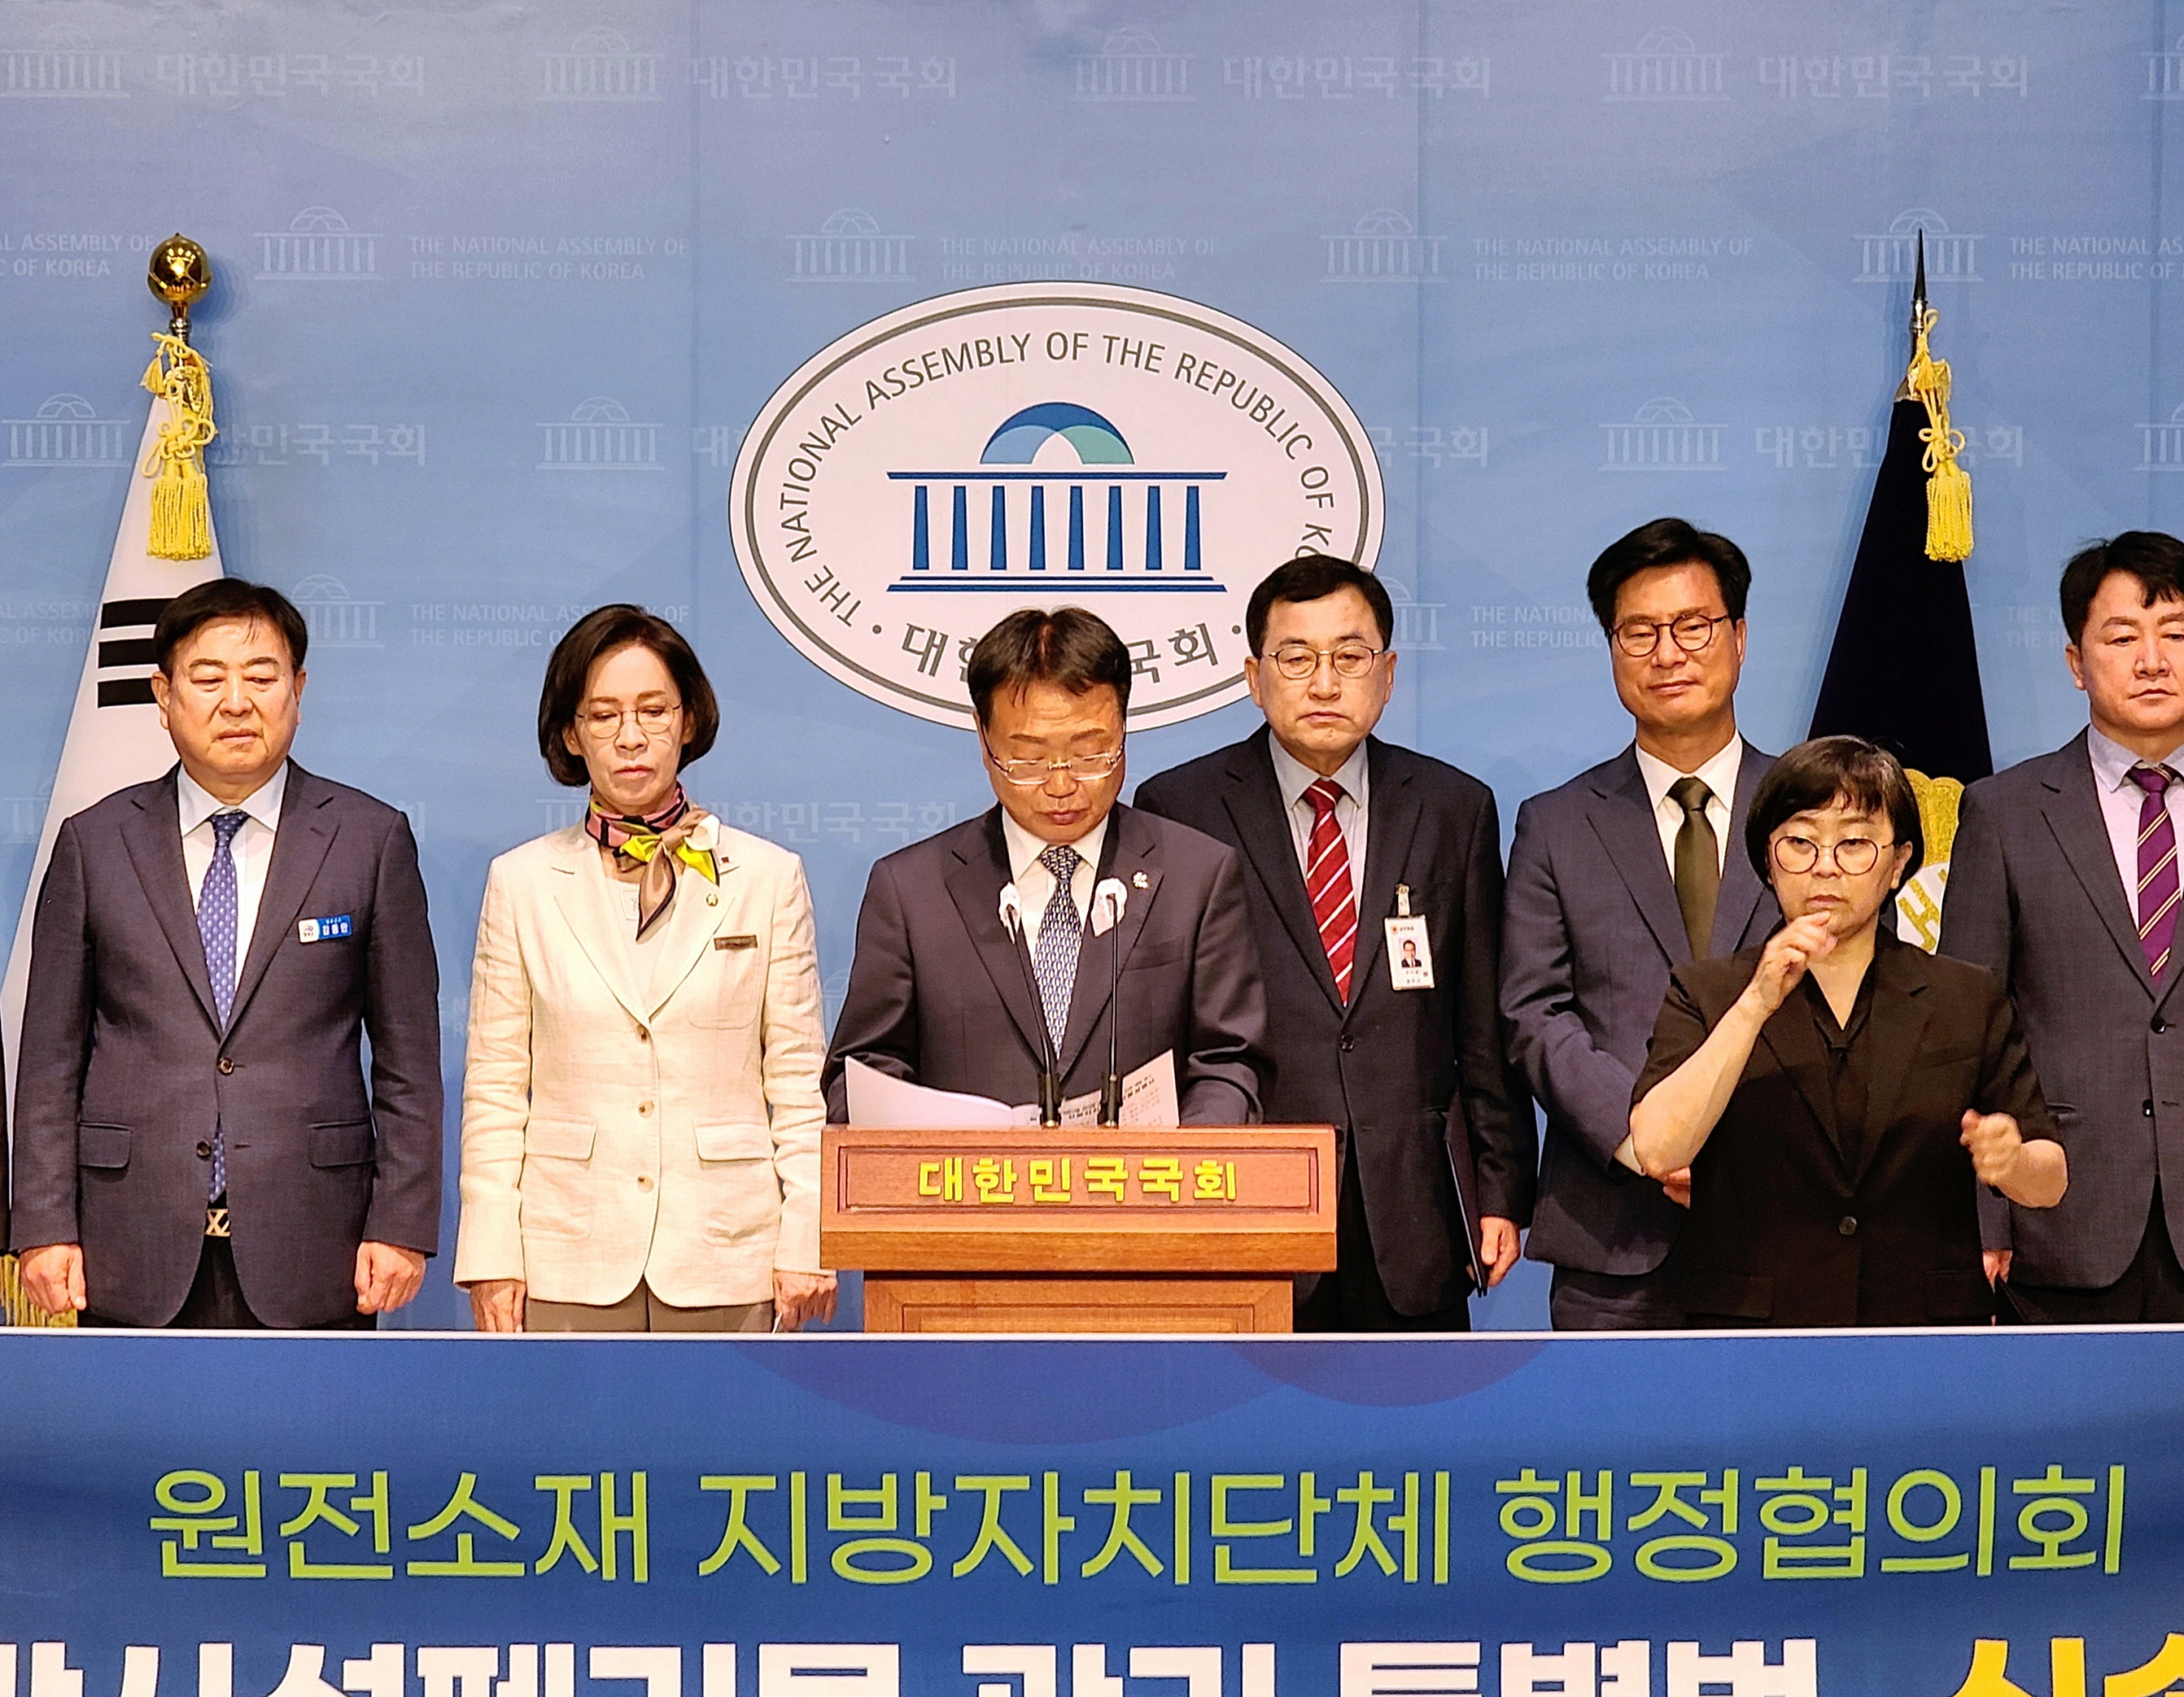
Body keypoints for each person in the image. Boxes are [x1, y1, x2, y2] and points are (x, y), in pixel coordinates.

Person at [10, 579, 441, 1327]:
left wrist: (400, 1224)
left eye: (261, 677)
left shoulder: (369, 840)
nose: (236, 702)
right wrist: (44, 1225)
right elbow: (50, 1059)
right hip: (127, 1243)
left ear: (297, 690)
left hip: (318, 1243)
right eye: (208, 679)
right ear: (163, 695)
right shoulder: (94, 843)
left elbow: (408, 1059)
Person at [1134, 555, 1533, 1330]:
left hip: (1414, 1211)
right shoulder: (1180, 809)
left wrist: (1500, 1188)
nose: (1324, 683)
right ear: (1254, 678)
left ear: (1388, 674)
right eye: (1297, 658)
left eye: (1350, 657)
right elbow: (1161, 1025)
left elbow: (1483, 1021)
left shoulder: (1453, 808)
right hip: (1248, 1199)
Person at [455, 606, 833, 1333]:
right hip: (568, 1250)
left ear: (688, 721)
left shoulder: (767, 877)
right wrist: (493, 1252)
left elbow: (796, 1079)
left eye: (654, 711)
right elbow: (495, 1085)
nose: (631, 736)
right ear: (572, 734)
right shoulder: (522, 882)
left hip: (730, 1250)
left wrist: (808, 1238)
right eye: (604, 715)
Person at [1628, 738, 2065, 1326]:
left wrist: (2012, 1163)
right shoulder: (1708, 991)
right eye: (1800, 843)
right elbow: (1658, 1149)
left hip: (1922, 1328)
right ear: (1766, 860)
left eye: (1855, 843)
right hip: (1753, 1331)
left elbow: (2051, 1178)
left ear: (1899, 862)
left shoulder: (1966, 996)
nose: (1826, 866)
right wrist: (1754, 1005)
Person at [825, 606, 1267, 1124]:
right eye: (1029, 759)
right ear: (983, 738)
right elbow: (865, 1071)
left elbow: (1228, 1062)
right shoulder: (911, 891)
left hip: (1146, 1175)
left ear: (1123, 729)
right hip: (969, 1175)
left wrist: (1183, 1158)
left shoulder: (1198, 876)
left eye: (1090, 754)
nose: (1061, 785)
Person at [1502, 518, 1780, 1329]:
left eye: (1693, 626)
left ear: (1739, 637)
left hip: (1788, 1220)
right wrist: (1650, 1139)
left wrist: (1745, 1151)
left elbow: (1860, 1000)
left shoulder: (1812, 814)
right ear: (1612, 649)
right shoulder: (1556, 824)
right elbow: (1533, 1014)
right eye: (1640, 632)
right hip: (1614, 1237)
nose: (1668, 654)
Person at [1943, 533, 2184, 1321]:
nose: (2153, 661)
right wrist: (1985, 1215)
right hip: (2063, 1225)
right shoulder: (2005, 813)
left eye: (2176, 634)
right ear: (2077, 662)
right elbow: (1968, 1030)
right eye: (2122, 638)